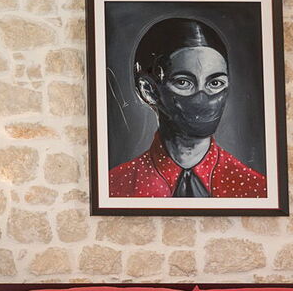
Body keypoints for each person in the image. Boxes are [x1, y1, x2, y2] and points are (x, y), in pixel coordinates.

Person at [108, 15, 266, 199]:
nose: (202, 99)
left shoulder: (256, 189)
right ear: (148, 91)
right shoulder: (115, 188)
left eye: (215, 83)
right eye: (183, 82)